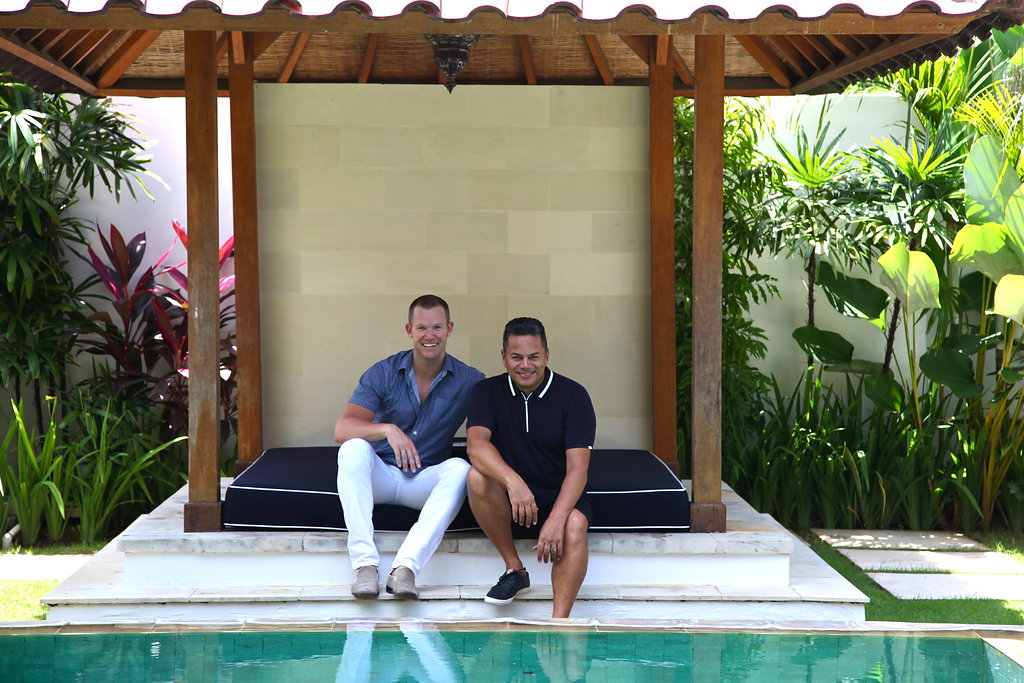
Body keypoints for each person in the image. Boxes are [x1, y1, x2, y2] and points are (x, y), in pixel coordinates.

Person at [334, 294, 484, 600]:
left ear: (450, 329)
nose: (430, 336)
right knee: (351, 450)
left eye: (437, 328)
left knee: (460, 470)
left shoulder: (470, 380)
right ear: (409, 330)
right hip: (382, 475)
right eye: (422, 328)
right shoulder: (384, 372)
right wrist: (387, 429)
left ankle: (406, 569)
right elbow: (342, 429)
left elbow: (489, 431)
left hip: (423, 481)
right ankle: (364, 566)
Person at [465, 317, 596, 618]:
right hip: (509, 501)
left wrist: (556, 519)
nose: (526, 365)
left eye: (534, 357)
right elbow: (476, 446)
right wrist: (514, 483)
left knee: (575, 524)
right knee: (476, 477)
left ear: (546, 355)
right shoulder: (486, 391)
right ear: (503, 357)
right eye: (517, 357)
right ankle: (515, 569)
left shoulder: (573, 396)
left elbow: (578, 468)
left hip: (556, 497)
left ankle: (558, 623)